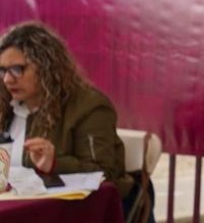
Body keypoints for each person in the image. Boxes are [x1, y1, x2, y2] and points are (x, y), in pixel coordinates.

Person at [0, 21, 131, 196]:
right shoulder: (6, 105)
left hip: (67, 212)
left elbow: (105, 174)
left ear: (46, 66)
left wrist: (55, 164)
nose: (8, 79)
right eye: (2, 71)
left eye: (17, 69)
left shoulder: (89, 107)